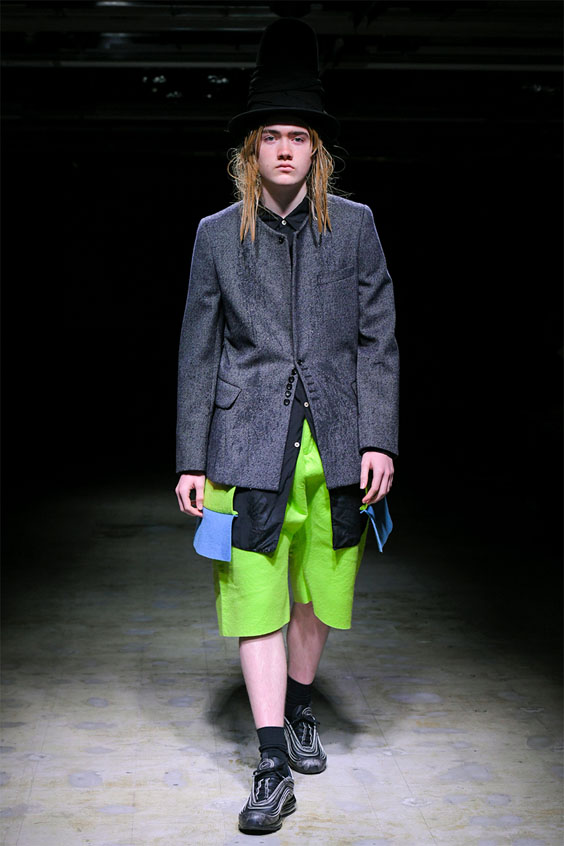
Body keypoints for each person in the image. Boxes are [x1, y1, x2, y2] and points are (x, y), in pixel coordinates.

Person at [175, 17, 399, 834]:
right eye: (269, 136)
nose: (283, 149)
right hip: (244, 450)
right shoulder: (215, 237)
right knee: (256, 599)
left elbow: (379, 338)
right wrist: (190, 456)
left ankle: (300, 706)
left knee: (320, 599)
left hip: (336, 444)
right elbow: (198, 350)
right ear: (250, 151)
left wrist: (380, 437)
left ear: (316, 151)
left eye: (297, 137)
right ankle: (271, 760)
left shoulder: (357, 226)